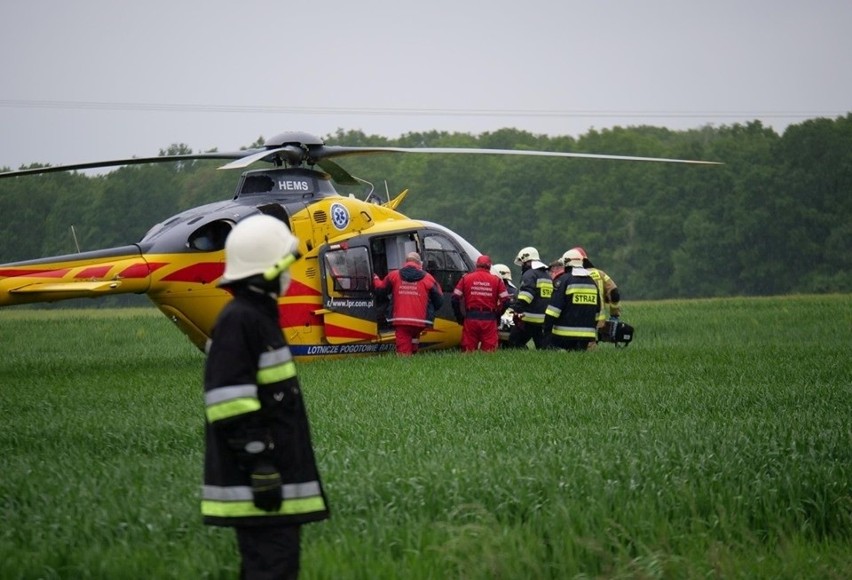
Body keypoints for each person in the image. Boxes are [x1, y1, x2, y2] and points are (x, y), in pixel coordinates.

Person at [201, 214, 330, 580]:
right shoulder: (240, 320)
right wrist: (260, 464)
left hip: (274, 481)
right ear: (269, 269)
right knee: (271, 569)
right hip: (260, 483)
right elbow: (228, 400)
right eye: (287, 264)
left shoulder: (257, 317)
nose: (291, 275)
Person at [373, 251, 444, 356]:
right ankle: (413, 354)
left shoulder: (394, 275)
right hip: (420, 321)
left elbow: (380, 289)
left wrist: (375, 278)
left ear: (406, 262)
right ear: (419, 263)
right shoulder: (428, 278)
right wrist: (430, 310)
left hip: (401, 321)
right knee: (414, 340)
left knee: (403, 350)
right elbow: (439, 299)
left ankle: (406, 363)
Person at [542, 248, 602, 351]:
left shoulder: (563, 280)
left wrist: (546, 330)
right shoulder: (592, 282)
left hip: (563, 335)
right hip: (586, 335)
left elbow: (553, 310)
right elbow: (597, 310)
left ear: (566, 263)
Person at [452, 254, 511, 352]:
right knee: (489, 353)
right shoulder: (496, 280)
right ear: (489, 266)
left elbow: (455, 298)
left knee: (468, 351)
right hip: (490, 319)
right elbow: (506, 301)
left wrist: (460, 316)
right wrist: (498, 314)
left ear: (476, 265)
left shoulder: (466, 278)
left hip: (470, 318)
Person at [505, 246, 553, 349]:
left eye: (522, 263)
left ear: (526, 260)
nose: (522, 265)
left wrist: (516, 309)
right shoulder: (547, 275)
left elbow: (526, 296)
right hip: (543, 319)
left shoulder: (529, 274)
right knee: (543, 347)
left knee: (514, 342)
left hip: (529, 318)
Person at [568, 246, 621, 326]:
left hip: (573, 323)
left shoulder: (567, 277)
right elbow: (614, 293)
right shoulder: (600, 274)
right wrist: (614, 315)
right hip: (598, 323)